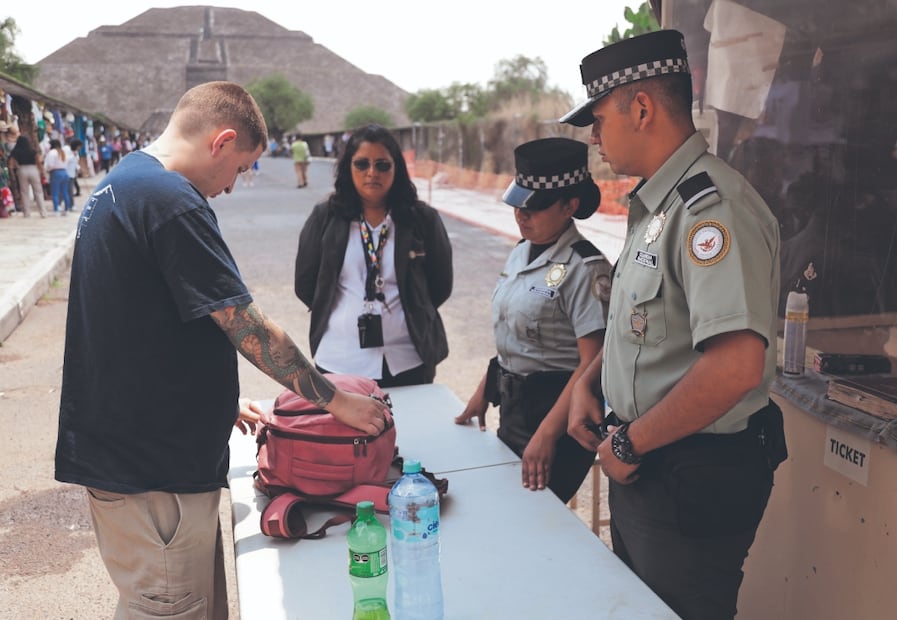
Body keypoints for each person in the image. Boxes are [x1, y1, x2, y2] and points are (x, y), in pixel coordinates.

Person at [55, 81, 389, 619]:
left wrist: (211, 399)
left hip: (140, 457)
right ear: (222, 141)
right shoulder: (170, 201)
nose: (233, 187)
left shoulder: (124, 182)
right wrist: (336, 401)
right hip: (151, 473)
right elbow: (246, 324)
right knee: (166, 606)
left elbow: (129, 325)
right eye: (240, 168)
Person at [561, 30, 787, 619]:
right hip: (646, 462)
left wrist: (629, 442)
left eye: (599, 118)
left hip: (691, 477)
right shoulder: (657, 207)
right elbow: (643, 329)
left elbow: (736, 367)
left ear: (640, 108)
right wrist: (592, 384)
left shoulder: (711, 210)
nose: (594, 136)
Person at [454, 137, 611, 503]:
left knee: (535, 522)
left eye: (535, 207)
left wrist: (546, 435)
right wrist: (484, 391)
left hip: (555, 418)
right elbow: (513, 335)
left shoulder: (586, 267)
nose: (521, 215)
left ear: (570, 205)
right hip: (514, 411)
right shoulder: (521, 252)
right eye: (518, 205)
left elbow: (592, 362)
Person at [295, 123, 453, 388]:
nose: (372, 173)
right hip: (340, 360)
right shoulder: (326, 217)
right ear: (348, 168)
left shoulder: (421, 219)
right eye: (361, 164)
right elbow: (306, 283)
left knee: (411, 429)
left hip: (408, 359)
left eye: (382, 165)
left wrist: (411, 313)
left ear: (396, 169)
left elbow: (440, 285)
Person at [8, 132, 46, 218]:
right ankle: (43, 212)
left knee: (24, 192)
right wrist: (41, 171)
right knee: (38, 191)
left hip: (22, 169)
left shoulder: (16, 151)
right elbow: (38, 161)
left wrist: (13, 171)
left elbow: (11, 163)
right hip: (33, 169)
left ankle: (27, 213)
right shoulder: (32, 150)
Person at [43, 137, 71, 215]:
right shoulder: (63, 152)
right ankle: (66, 209)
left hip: (55, 173)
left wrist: (47, 170)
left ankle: (56, 209)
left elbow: (50, 165)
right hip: (65, 172)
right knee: (65, 192)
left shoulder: (52, 152)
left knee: (55, 192)